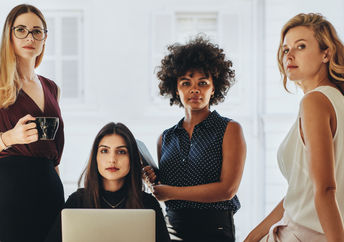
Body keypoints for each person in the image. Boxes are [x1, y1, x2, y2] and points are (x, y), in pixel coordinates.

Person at [245, 13, 344, 242]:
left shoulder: (315, 102)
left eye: (300, 46)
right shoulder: (336, 100)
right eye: (286, 49)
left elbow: (326, 189)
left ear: (326, 53)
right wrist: (253, 236)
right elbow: (301, 193)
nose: (289, 55)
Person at [143, 36, 246, 242]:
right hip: (172, 229)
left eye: (203, 83)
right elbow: (168, 187)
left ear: (214, 88)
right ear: (176, 88)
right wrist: (154, 179)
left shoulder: (229, 129)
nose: (195, 89)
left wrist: (171, 192)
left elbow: (227, 190)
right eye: (186, 83)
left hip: (215, 230)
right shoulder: (166, 138)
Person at [0, 4, 65, 242]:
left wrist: (60, 193)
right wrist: (9, 138)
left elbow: (54, 154)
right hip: (9, 193)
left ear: (44, 37)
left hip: (50, 190)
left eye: (37, 31)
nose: (30, 37)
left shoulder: (52, 88)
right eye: (21, 30)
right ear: (9, 34)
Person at [46, 122, 171, 242]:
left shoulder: (148, 203)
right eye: (104, 151)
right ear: (96, 157)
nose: (112, 159)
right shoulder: (77, 201)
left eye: (121, 151)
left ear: (131, 158)